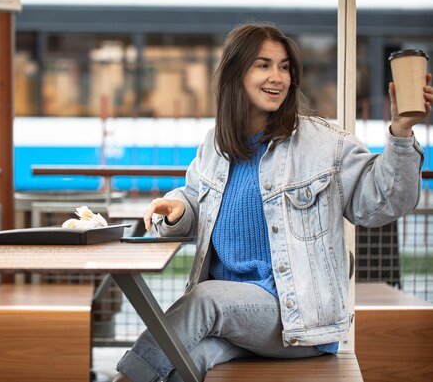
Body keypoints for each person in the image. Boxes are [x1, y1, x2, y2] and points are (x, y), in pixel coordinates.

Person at [114, 23, 433, 382]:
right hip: (240, 317)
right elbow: (194, 198)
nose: (277, 77)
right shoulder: (215, 145)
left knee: (204, 299)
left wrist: (402, 132)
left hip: (295, 316)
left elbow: (381, 203)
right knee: (182, 366)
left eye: (284, 67)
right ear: (236, 73)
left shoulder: (322, 143)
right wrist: (177, 208)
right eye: (263, 65)